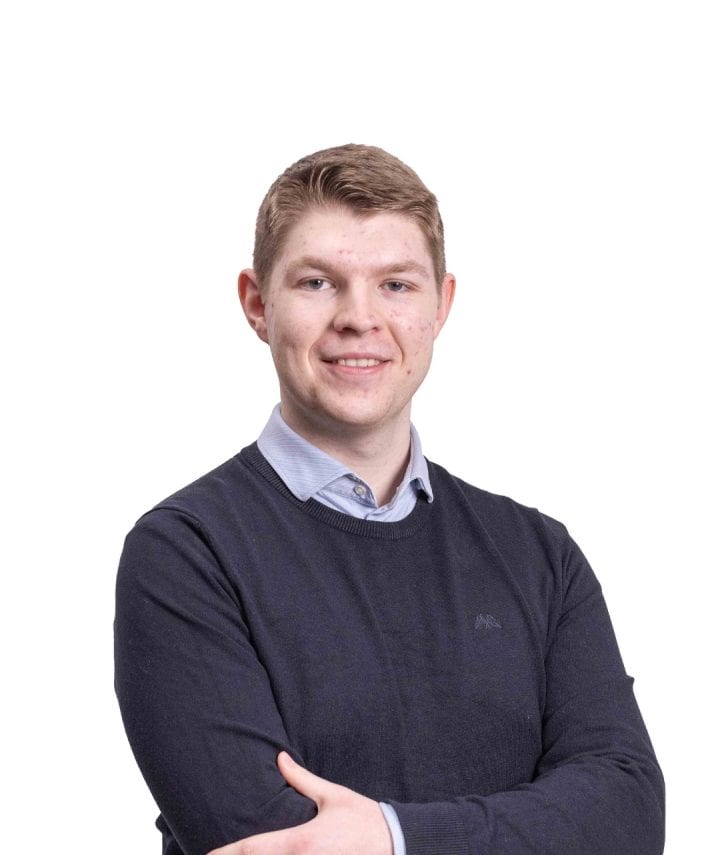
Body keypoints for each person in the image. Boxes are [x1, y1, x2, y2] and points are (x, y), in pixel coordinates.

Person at [114, 144, 665, 855]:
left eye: (396, 285)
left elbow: (628, 814)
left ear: (441, 306)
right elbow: (267, 842)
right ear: (257, 304)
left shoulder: (540, 555)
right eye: (318, 282)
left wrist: (395, 836)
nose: (359, 317)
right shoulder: (187, 552)